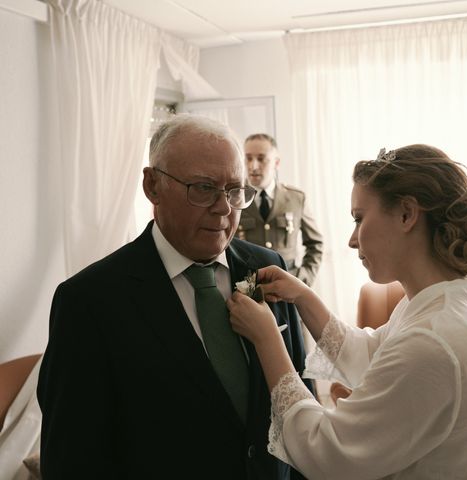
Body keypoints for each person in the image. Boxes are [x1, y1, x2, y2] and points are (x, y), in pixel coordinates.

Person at [37, 114, 312, 479]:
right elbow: (73, 456)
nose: (224, 208)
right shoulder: (89, 301)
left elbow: (300, 401)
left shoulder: (267, 268)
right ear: (153, 186)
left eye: (235, 190)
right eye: (203, 188)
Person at [227, 144, 467, 479]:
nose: (352, 240)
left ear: (406, 214)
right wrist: (303, 297)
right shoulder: (458, 296)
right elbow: (374, 356)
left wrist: (268, 340)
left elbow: (328, 452)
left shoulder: (432, 340)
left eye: (359, 218)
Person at [237, 133, 323, 286]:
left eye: (261, 159)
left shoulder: (296, 198)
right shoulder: (235, 197)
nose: (253, 166)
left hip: (289, 287)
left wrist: (303, 278)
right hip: (248, 288)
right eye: (248, 158)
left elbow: (315, 244)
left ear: (276, 163)